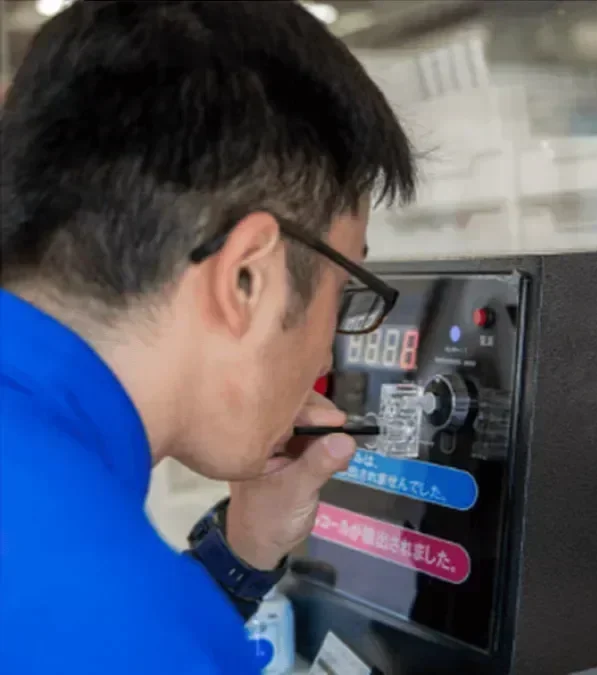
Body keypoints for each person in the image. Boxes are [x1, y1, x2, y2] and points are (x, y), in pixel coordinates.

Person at [0, 2, 415, 672]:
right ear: (246, 278)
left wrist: (241, 552)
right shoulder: (117, 624)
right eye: (344, 292)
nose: (324, 352)